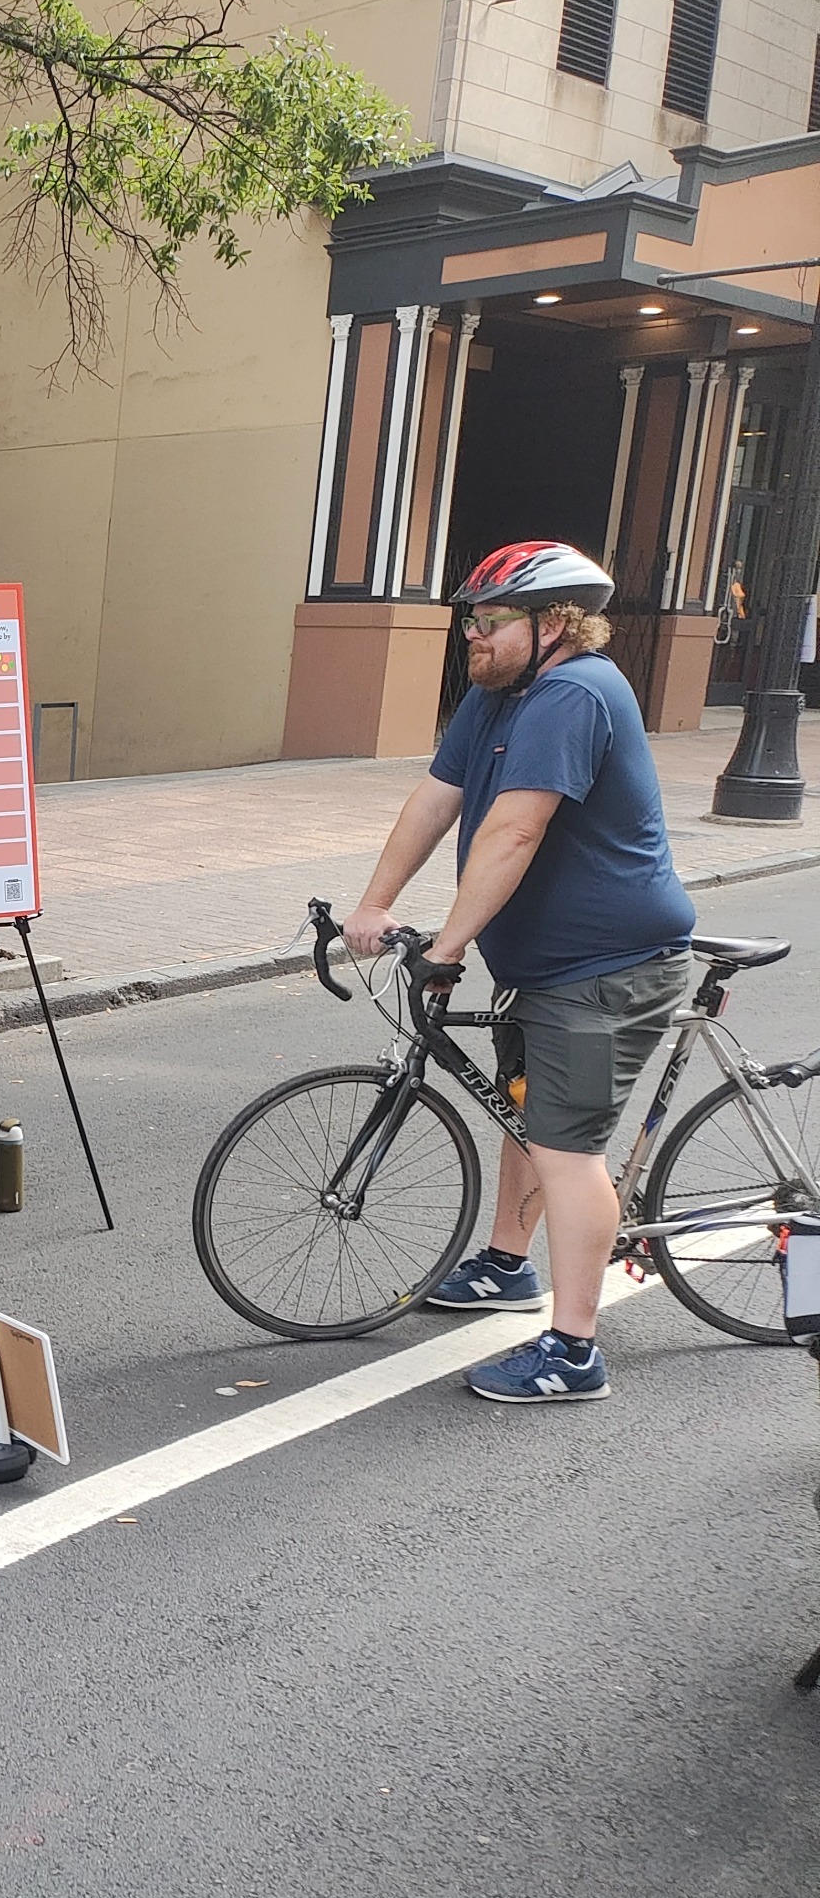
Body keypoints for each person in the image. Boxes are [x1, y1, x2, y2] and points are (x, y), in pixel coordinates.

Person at [344, 541, 696, 1403]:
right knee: (525, 1111)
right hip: (545, 965)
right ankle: (508, 1263)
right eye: (470, 617)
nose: (473, 633)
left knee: (568, 1148)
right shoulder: (500, 693)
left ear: (555, 624)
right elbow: (436, 799)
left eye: (490, 619)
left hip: (608, 968)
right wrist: (373, 905)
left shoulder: (575, 691)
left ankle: (575, 1351)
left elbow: (513, 831)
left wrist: (450, 946)